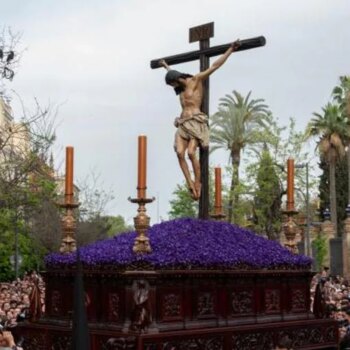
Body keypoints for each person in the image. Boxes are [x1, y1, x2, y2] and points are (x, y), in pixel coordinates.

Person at [159, 40, 241, 200]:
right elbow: (172, 72)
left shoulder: (195, 81)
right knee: (179, 153)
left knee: (191, 153)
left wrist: (230, 49)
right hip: (183, 124)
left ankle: (198, 182)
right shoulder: (180, 89)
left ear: (177, 79)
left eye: (172, 83)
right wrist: (165, 66)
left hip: (195, 122)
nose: (172, 87)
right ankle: (189, 183)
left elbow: (215, 66)